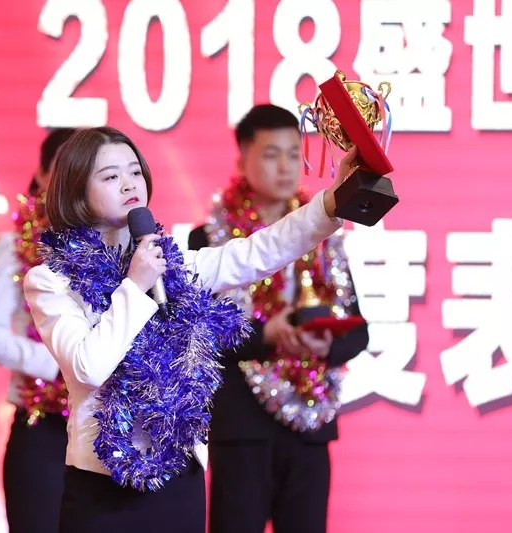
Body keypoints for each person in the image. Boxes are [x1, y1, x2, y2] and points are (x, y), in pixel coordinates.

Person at [22, 125, 358, 532]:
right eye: (110, 176)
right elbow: (88, 367)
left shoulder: (175, 265)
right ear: (76, 190)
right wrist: (135, 287)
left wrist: (333, 201)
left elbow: (258, 252)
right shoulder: (51, 281)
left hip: (179, 479)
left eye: (135, 171)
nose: (129, 184)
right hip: (102, 484)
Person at [188, 104, 370, 533]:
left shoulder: (324, 237)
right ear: (242, 160)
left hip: (310, 425)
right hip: (241, 427)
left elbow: (359, 331)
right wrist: (265, 334)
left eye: (294, 153)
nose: (286, 167)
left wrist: (327, 343)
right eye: (272, 155)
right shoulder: (208, 240)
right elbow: (199, 334)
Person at [0, 127, 76, 532]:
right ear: (41, 175)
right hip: (41, 427)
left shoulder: (117, 250)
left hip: (103, 429)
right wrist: (59, 363)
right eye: (66, 170)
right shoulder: (15, 245)